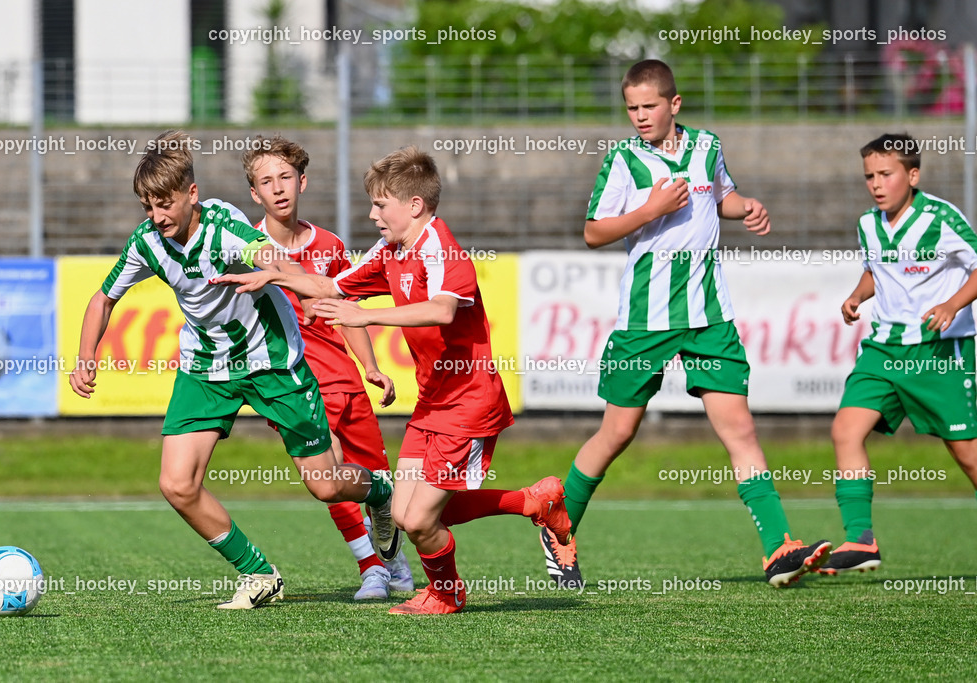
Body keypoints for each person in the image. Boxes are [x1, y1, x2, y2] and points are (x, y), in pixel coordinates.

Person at [216, 145, 571, 614]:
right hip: (433, 401)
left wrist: (367, 317)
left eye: (381, 205)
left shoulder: (443, 252)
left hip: (470, 400)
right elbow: (329, 286)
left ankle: (447, 595)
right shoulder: (389, 250)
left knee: (419, 518)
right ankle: (536, 502)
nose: (372, 213)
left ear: (415, 206)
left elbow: (441, 311)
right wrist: (273, 278)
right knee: (405, 513)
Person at [68, 130, 398, 610]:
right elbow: (103, 297)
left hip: (272, 362)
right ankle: (259, 573)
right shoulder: (147, 243)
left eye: (165, 204)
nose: (157, 217)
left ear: (192, 194)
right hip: (207, 367)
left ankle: (382, 489)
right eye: (148, 207)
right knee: (176, 484)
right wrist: (85, 357)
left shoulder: (224, 225)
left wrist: (275, 270)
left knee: (326, 485)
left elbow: (266, 254)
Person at [539, 59, 831, 589]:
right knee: (617, 431)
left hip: (708, 316)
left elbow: (723, 196)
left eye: (649, 105)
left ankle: (778, 546)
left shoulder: (708, 146)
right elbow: (594, 233)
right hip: (645, 320)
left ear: (674, 104)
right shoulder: (624, 161)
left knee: (740, 429)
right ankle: (560, 530)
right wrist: (649, 210)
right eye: (631, 107)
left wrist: (748, 209)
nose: (640, 116)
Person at [242, 134, 414, 600]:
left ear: (302, 182)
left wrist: (372, 365)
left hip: (345, 379)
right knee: (329, 474)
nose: (278, 188)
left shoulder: (331, 244)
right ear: (255, 194)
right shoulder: (246, 247)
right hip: (294, 385)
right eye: (266, 182)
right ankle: (370, 569)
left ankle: (393, 561)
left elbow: (348, 308)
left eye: (285, 178)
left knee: (374, 479)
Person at [819, 133, 977, 575]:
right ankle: (861, 540)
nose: (876, 183)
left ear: (912, 175)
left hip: (936, 352)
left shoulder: (941, 218)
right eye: (869, 175)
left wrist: (952, 304)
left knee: (967, 455)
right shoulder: (868, 223)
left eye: (885, 174)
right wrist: (857, 296)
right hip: (883, 350)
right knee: (845, 431)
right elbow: (878, 270)